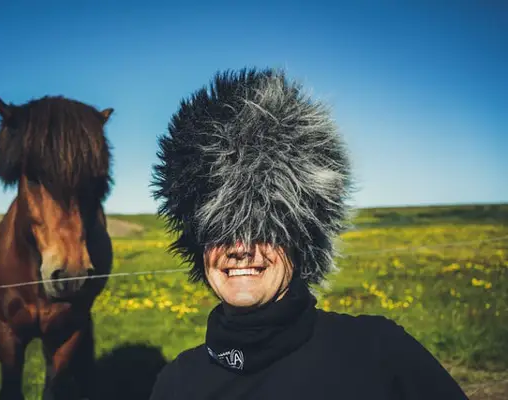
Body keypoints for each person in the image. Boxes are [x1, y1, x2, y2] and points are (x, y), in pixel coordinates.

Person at [149, 67, 468, 399]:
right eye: (219, 228)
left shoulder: (379, 353)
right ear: (197, 243)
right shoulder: (176, 384)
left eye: (263, 227)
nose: (241, 247)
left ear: (303, 237)